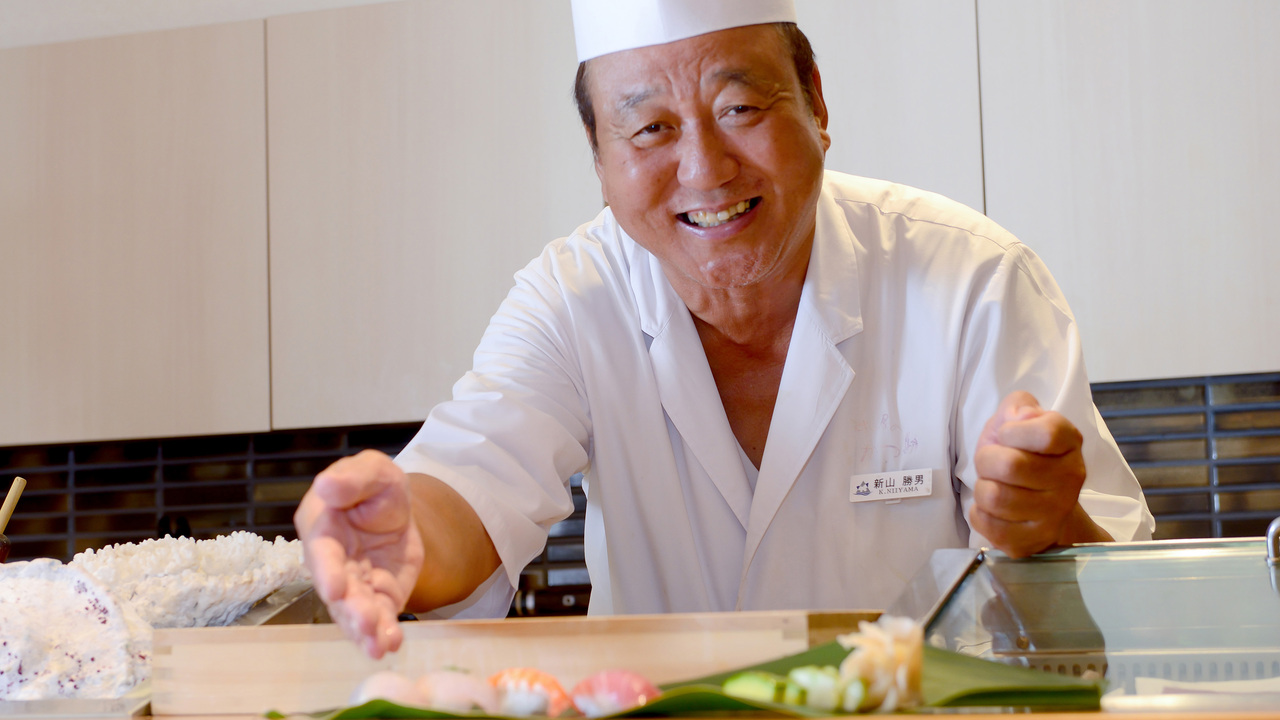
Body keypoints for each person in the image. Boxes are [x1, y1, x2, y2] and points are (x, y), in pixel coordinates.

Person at [294, 0, 1154, 660]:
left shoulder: (973, 279)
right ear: (599, 159)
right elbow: (470, 488)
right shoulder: (572, 296)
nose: (704, 169)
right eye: (651, 129)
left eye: (740, 107)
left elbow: (1116, 599)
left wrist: (1045, 522)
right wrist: (404, 533)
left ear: (816, 103)